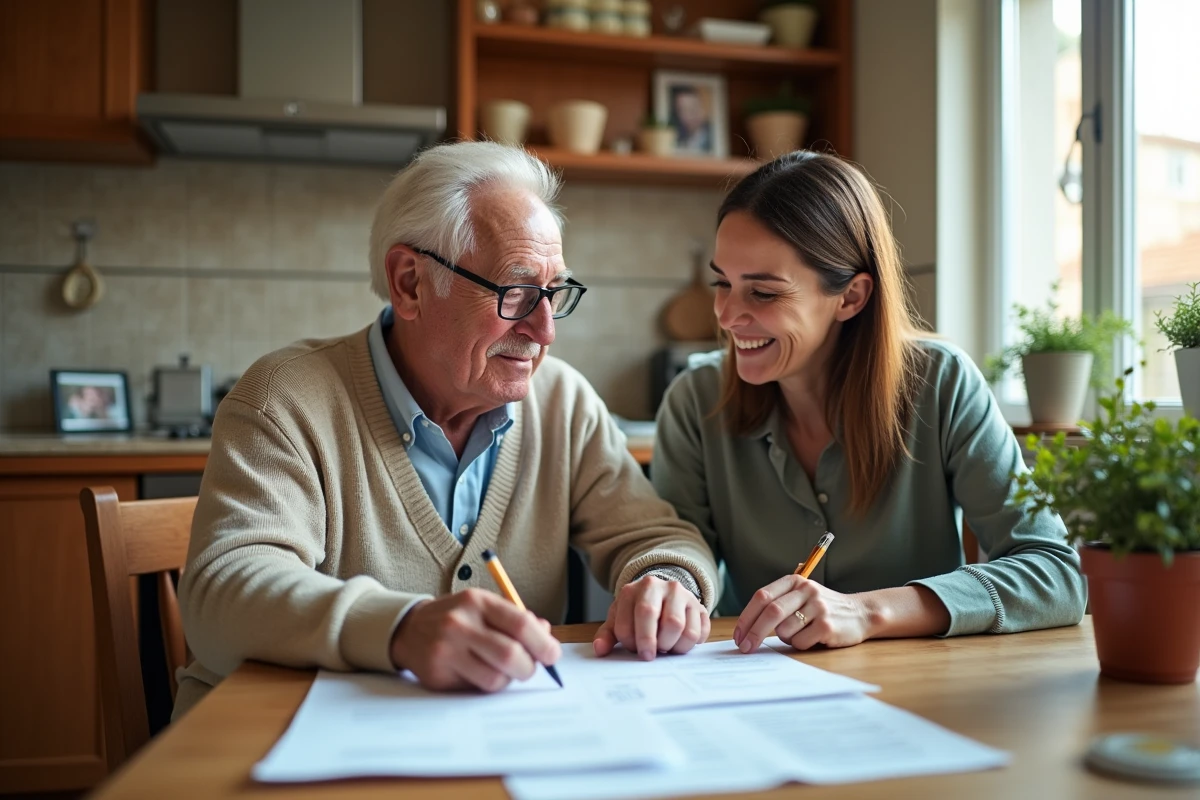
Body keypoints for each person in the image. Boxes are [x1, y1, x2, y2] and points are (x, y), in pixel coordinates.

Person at [174, 142, 718, 718]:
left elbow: (656, 536)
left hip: (481, 743)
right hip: (268, 744)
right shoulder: (285, 398)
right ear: (410, 283)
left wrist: (667, 582)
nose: (544, 330)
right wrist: (399, 628)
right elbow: (222, 592)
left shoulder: (562, 401)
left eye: (554, 294)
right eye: (516, 292)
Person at [651, 151, 1086, 656]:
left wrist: (867, 612)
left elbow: (1055, 572)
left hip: (922, 693)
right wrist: (672, 586)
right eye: (722, 283)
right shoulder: (694, 399)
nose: (727, 315)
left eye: (764, 293)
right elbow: (682, 547)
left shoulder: (941, 384)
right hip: (759, 682)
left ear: (851, 297)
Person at [670, 86, 713, 154]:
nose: (688, 115)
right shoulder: (678, 136)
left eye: (693, 109)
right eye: (682, 110)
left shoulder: (712, 136)